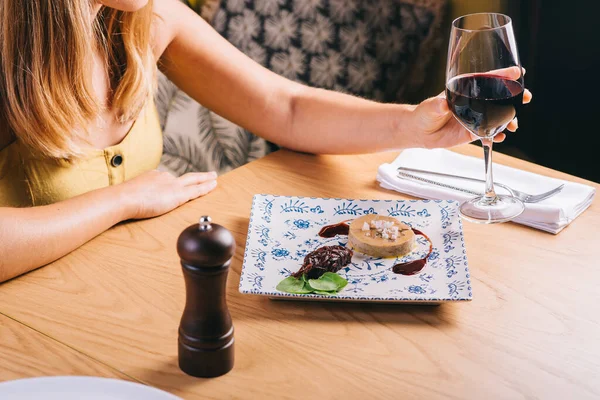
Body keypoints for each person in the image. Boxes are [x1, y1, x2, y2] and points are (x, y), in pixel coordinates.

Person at [0, 0, 531, 282]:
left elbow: (286, 108)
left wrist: (414, 127)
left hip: (128, 289)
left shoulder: (145, 20)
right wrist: (123, 199)